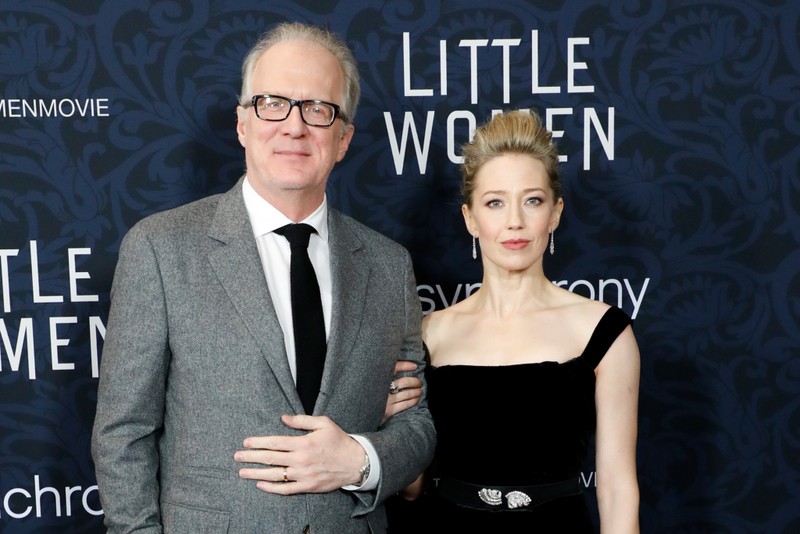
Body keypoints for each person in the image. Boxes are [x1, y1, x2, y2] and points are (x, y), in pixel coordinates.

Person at [91, 22, 435, 534]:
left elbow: (415, 423)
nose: (294, 127)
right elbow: (123, 434)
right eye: (272, 103)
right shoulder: (161, 248)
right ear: (242, 123)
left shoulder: (388, 265)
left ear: (342, 139)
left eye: (319, 110)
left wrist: (362, 459)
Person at [386, 110, 640, 532]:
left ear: (555, 213)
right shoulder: (429, 333)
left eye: (533, 200)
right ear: (470, 218)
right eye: (495, 202)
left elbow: (616, 489)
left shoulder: (604, 333)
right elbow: (414, 488)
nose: (515, 221)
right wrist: (392, 422)